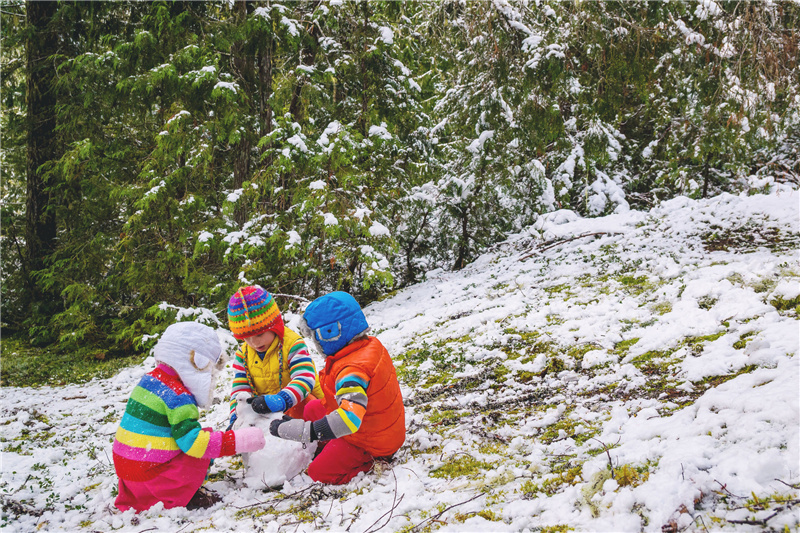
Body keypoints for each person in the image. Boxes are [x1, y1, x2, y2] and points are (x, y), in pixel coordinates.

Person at [112, 322, 266, 512]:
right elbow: (193, 443)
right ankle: (182, 496)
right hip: (153, 481)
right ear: (197, 364)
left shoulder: (150, 381)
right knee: (200, 449)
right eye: (211, 372)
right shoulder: (177, 395)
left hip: (129, 478)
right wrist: (237, 441)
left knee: (196, 440)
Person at [268, 291, 406, 485]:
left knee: (318, 472)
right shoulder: (365, 347)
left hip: (370, 442)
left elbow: (349, 419)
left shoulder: (352, 370)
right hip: (376, 426)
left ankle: (372, 461)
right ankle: (323, 443)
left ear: (331, 333)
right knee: (312, 408)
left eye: (316, 338)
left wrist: (303, 430)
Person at [226, 286, 324, 427]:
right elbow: (240, 388)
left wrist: (281, 400)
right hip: (266, 412)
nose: (254, 342)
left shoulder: (291, 344)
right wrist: (237, 416)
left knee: (307, 406)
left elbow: (304, 378)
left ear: (274, 325)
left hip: (300, 405)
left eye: (259, 334)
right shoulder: (243, 354)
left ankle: (316, 442)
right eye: (247, 338)